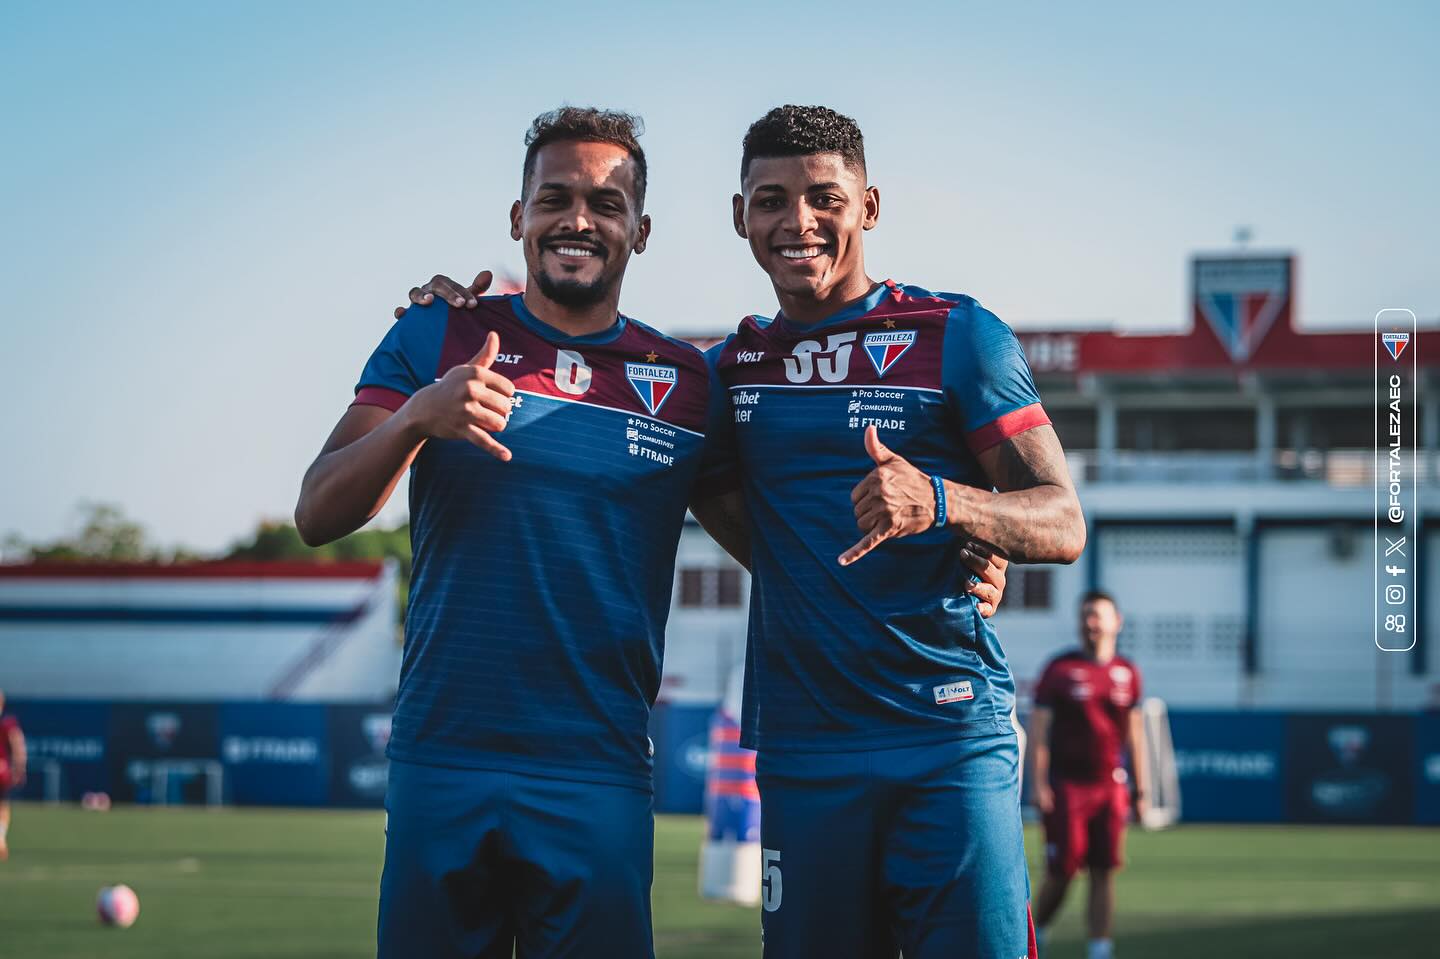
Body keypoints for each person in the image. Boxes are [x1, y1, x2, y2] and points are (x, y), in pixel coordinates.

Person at [310, 106, 1010, 959]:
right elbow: (319, 512)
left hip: (598, 772)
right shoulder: (438, 333)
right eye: (555, 198)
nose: (578, 220)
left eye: (605, 205)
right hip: (442, 759)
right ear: (516, 217)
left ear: (639, 231)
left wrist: (960, 534)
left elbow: (798, 539)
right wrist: (419, 415)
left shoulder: (688, 382)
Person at [1029, 590, 1149, 959]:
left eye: (1097, 615)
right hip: (1067, 786)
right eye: (1085, 615)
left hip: (1110, 785)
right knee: (1064, 869)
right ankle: (1037, 932)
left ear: (1117, 622)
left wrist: (1141, 790)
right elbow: (1039, 731)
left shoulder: (1127, 673)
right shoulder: (1059, 670)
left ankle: (1100, 948)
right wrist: (1038, 783)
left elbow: (1135, 734)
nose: (1090, 622)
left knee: (1104, 869)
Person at [0, 690, 27, 862]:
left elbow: (16, 742)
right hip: (2, 770)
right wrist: (20, 766)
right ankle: (0, 834)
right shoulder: (7, 722)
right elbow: (17, 743)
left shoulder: (6, 723)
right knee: (2, 804)